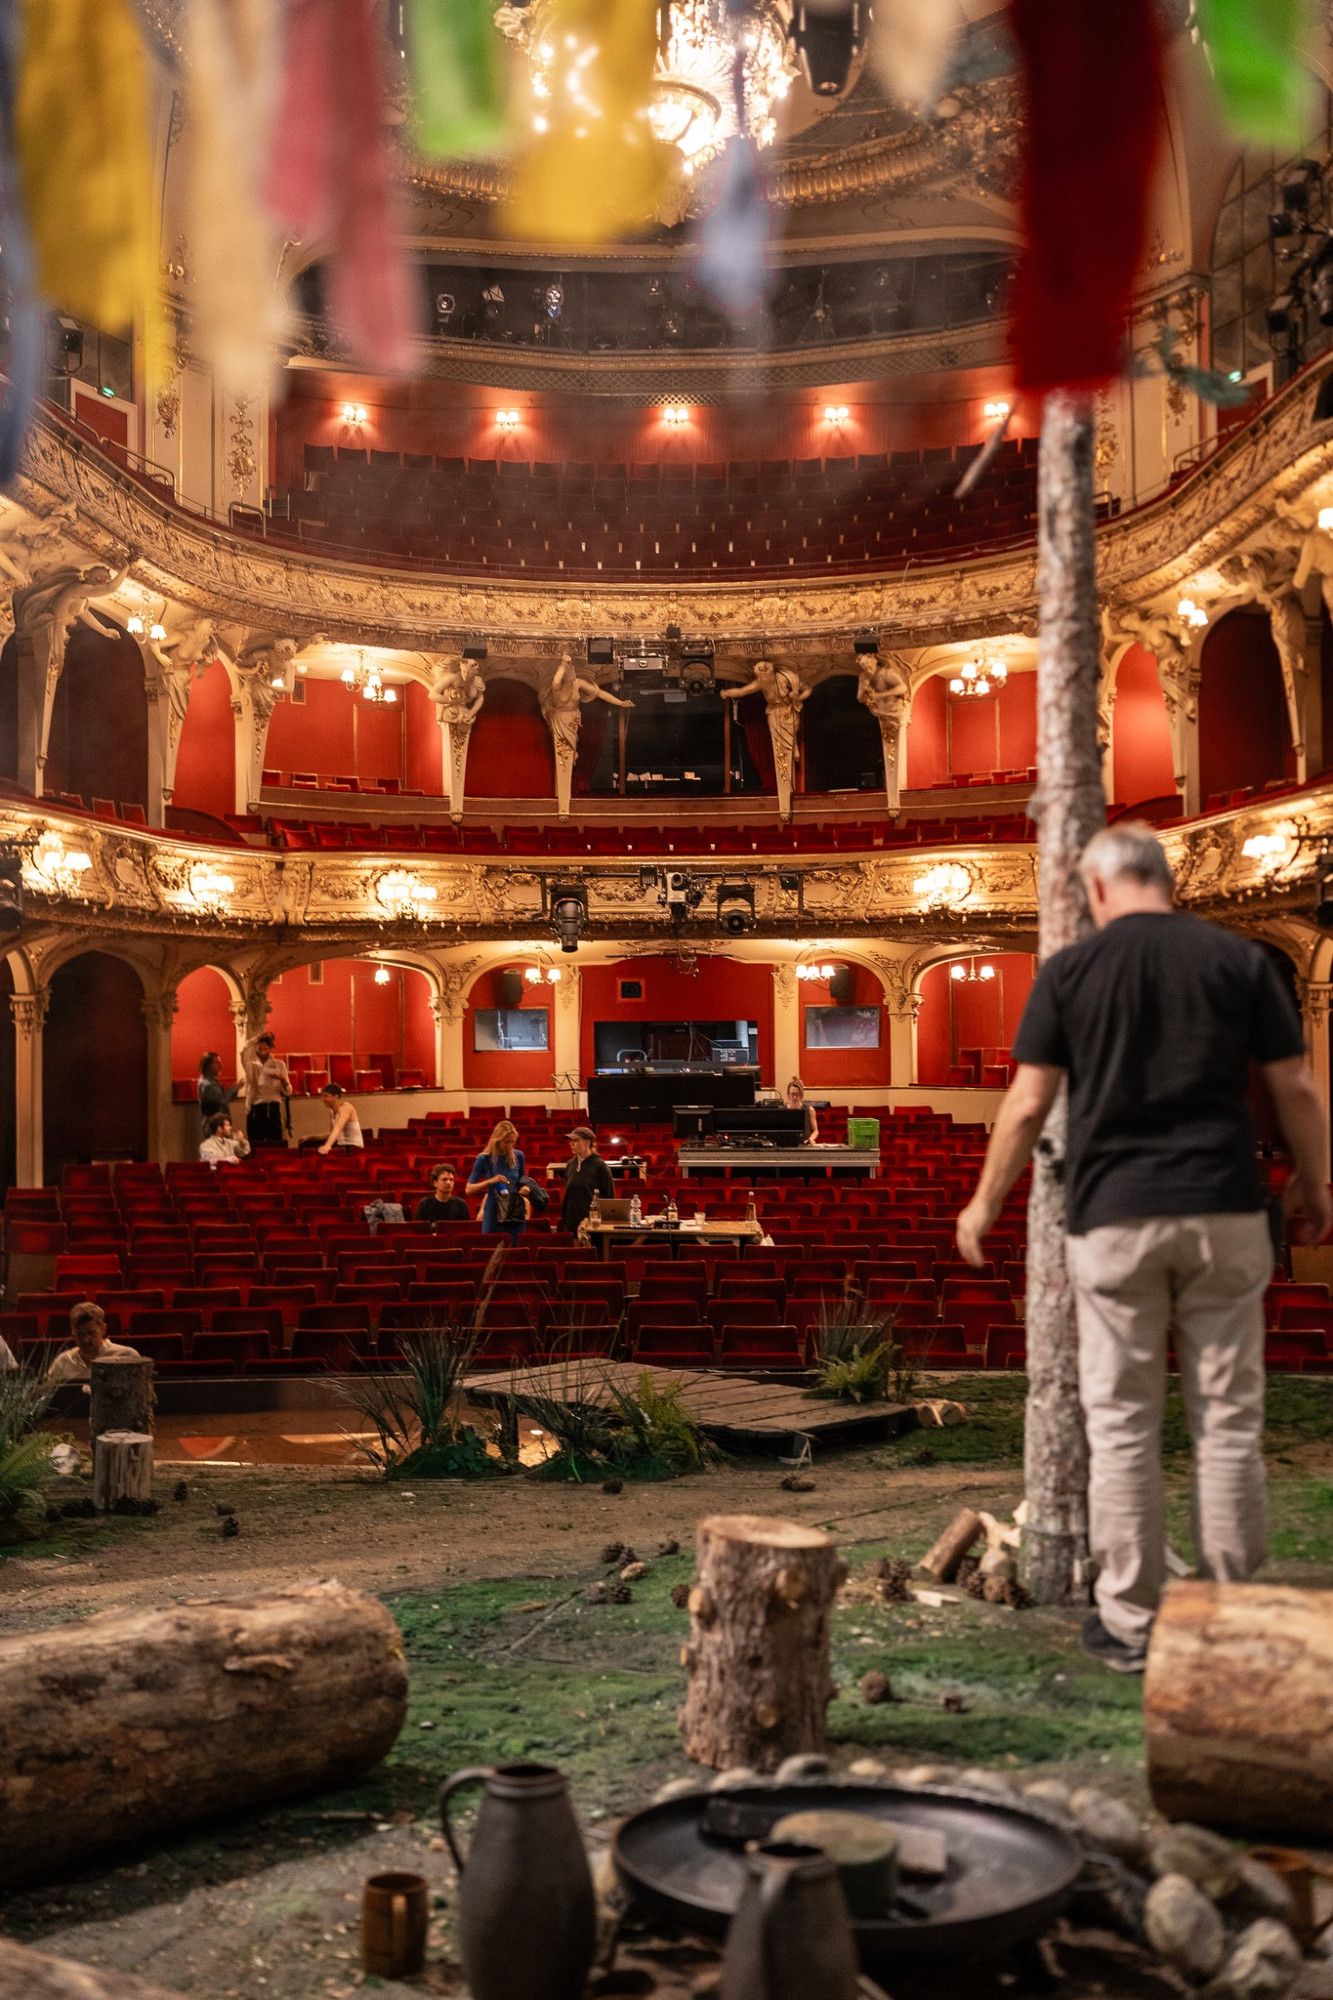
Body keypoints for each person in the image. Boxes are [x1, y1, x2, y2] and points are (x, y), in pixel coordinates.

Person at [955, 823, 1331, 1674]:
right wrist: (1315, 1186)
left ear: (1095, 891)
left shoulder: (1071, 971)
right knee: (1228, 1422)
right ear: (1167, 881)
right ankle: (1229, 1613)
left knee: (1123, 1427)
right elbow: (1295, 1088)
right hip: (1226, 1214)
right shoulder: (1236, 960)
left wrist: (984, 1204)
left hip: (1115, 1219)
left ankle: (1130, 1624)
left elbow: (1024, 1105)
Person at [45, 1301, 140, 1387]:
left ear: (103, 1329)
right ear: (72, 1331)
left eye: (91, 1333)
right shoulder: (62, 1362)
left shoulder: (127, 1356)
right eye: (79, 1334)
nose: (85, 1340)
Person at [467, 1120, 527, 1237]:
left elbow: (522, 1179)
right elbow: (469, 1189)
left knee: (515, 1249)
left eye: (512, 1142)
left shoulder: (519, 1156)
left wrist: (525, 1187)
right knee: (491, 1248)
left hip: (513, 1210)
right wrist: (490, 1181)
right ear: (497, 1141)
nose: (510, 1145)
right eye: (506, 1142)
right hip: (493, 1210)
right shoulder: (483, 1159)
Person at [240, 1031, 291, 1149]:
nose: (263, 1052)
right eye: (260, 1049)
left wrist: (282, 1079)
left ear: (270, 1049)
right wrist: (258, 1037)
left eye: (266, 1049)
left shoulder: (279, 1065)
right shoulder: (250, 1064)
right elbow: (244, 1051)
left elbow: (288, 1091)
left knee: (276, 1146)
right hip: (255, 1109)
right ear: (256, 1049)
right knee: (256, 1147)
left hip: (273, 1108)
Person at [559, 1125, 615, 1233]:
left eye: (576, 1140)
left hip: (593, 1225)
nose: (571, 1144)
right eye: (571, 1140)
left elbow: (609, 1196)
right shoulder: (570, 1164)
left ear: (587, 1142)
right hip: (572, 1223)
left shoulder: (600, 1166)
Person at [196, 1051, 239, 1128]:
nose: (220, 1066)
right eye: (217, 1063)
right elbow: (222, 1099)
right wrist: (235, 1088)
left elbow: (226, 1099)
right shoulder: (207, 1084)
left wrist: (234, 1091)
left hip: (219, 1125)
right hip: (214, 1127)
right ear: (208, 1065)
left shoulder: (212, 1081)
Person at [318, 1084, 364, 1153]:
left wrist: (327, 1146)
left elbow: (338, 1128)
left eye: (326, 1096)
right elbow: (332, 1133)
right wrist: (310, 1138)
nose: (323, 1099)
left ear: (336, 1096)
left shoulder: (346, 1107)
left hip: (354, 1148)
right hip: (342, 1146)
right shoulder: (331, 1111)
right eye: (322, 1096)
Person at [785, 1076, 819, 1143]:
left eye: (797, 1094)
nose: (794, 1097)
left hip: (805, 1144)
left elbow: (816, 1131)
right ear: (788, 1095)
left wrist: (811, 1139)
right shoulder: (783, 1110)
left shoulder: (810, 1110)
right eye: (792, 1094)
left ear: (801, 1095)